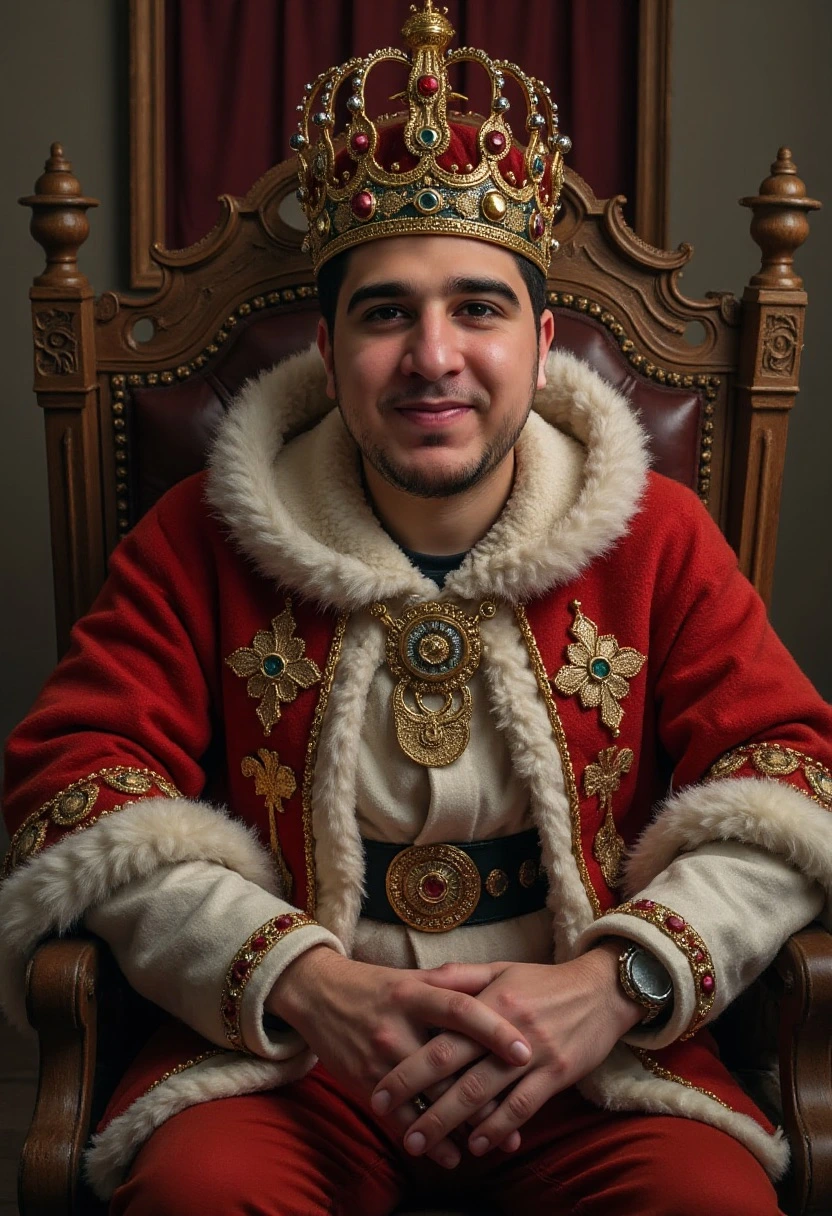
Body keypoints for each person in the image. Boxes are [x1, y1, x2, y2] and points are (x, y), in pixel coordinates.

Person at [2, 4, 832, 1213]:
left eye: (478, 309)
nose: (432, 354)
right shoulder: (198, 534)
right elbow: (76, 782)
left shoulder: (656, 536)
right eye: (387, 312)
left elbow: (791, 777)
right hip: (287, 1060)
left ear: (542, 343)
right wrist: (300, 979)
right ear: (330, 353)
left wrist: (613, 983)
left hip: (592, 1060)